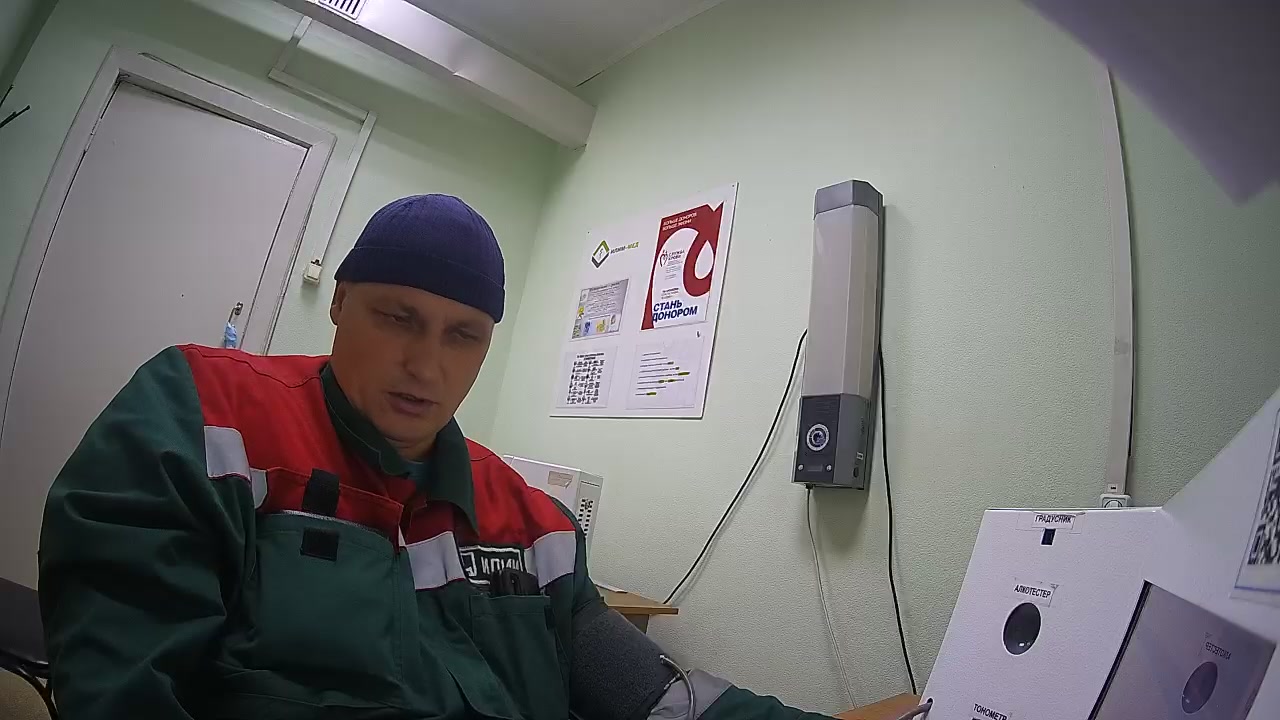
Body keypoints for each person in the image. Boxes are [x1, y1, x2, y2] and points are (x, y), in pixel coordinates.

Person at [39, 195, 832, 720]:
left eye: (463, 335)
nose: (427, 365)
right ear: (340, 301)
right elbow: (123, 688)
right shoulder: (206, 418)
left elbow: (655, 699)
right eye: (398, 317)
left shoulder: (535, 524)